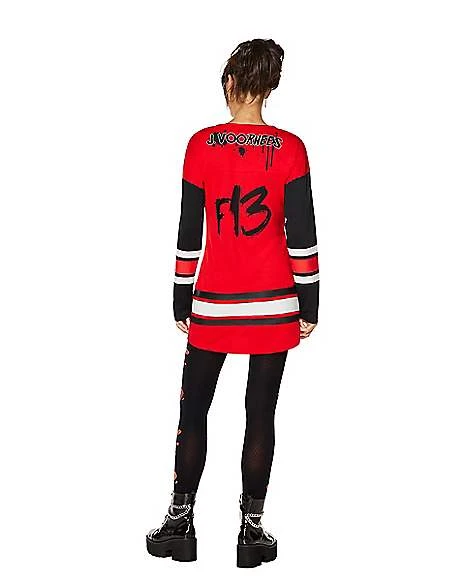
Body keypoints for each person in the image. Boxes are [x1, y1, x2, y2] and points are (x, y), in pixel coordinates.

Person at [146, 38, 319, 568]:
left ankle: (180, 522)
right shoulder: (291, 148)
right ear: (271, 87)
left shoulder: (201, 145)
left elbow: (188, 231)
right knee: (260, 413)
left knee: (193, 409)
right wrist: (310, 303)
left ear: (230, 82)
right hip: (274, 304)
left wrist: (181, 297)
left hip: (215, 303)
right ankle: (251, 530)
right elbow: (302, 236)